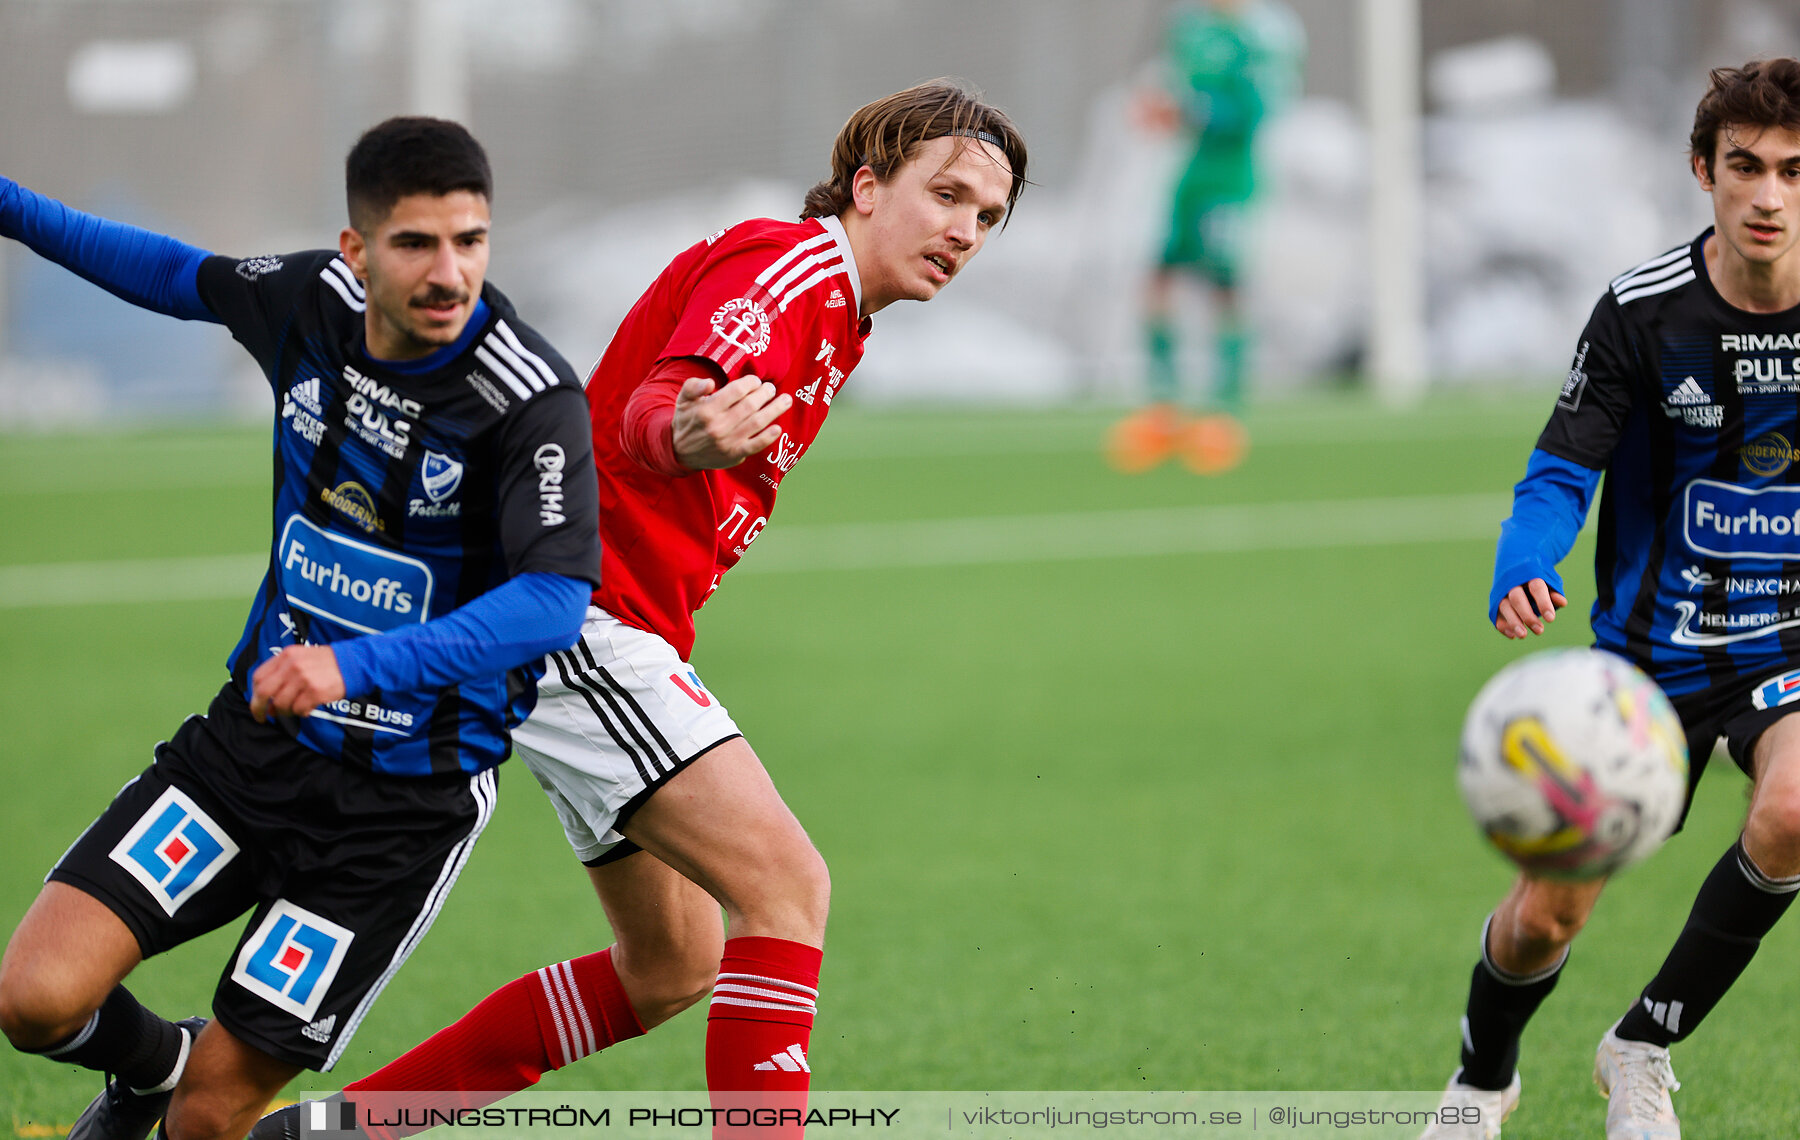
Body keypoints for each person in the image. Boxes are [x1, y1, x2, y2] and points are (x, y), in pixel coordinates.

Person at [251, 80, 1027, 1139]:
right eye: (946, 196)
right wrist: (688, 434)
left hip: (604, 621)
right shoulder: (787, 264)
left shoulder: (844, 315)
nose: (964, 231)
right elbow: (666, 397)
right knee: (787, 888)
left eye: (987, 216)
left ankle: (324, 1132)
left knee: (670, 964)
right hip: (583, 614)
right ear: (867, 184)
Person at [0, 118, 600, 1140]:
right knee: (35, 998)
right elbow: (172, 271)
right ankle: (150, 1066)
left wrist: (356, 663)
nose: (449, 271)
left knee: (212, 1121)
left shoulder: (527, 401)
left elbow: (554, 600)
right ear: (357, 249)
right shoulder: (308, 303)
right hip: (248, 751)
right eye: (416, 243)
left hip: (395, 814)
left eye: (471, 239)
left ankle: (181, 1092)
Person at [1421, 59, 1800, 1140]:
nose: (1769, 195)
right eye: (1746, 168)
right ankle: (1482, 1078)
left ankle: (1643, 1046)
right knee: (1548, 918)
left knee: (1795, 809)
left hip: (1786, 641)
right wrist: (1522, 561)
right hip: (1644, 659)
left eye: (1794, 172)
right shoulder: (1643, 313)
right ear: (1703, 170)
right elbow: (1560, 469)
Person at [1107, 0, 1303, 476]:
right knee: (1158, 278)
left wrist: (1189, 112)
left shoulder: (1267, 35)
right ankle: (1164, 407)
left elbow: (1258, 110)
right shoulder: (1190, 27)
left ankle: (1225, 412)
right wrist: (1156, 108)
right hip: (1190, 174)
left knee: (1224, 284)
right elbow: (1174, 88)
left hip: (1232, 175)